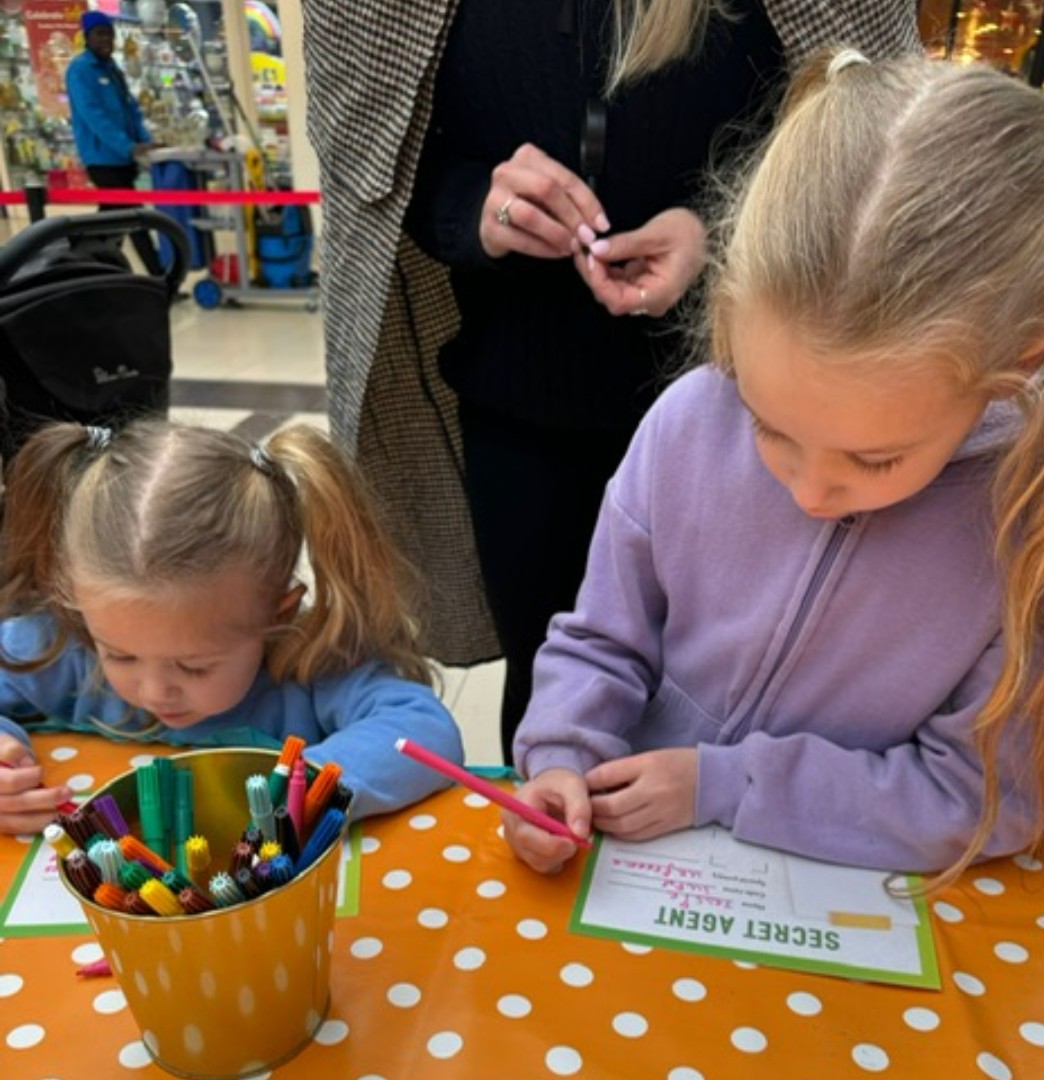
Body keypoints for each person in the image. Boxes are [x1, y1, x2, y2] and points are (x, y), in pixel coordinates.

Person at [503, 50, 1044, 885]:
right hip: (641, 883)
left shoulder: (1035, 522)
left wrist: (728, 785)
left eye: (876, 459)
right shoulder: (687, 425)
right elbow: (601, 643)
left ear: (1020, 361)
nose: (810, 492)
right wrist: (561, 749)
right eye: (770, 426)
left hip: (862, 912)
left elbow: (984, 797)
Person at [302, 1, 921, 762]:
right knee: (553, 678)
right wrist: (475, 208)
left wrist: (722, 231)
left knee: (735, 687)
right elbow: (374, 159)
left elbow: (859, 137)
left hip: (743, 401)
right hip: (518, 407)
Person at [0, 420, 465, 836]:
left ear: (277, 616)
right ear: (79, 607)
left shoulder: (312, 666)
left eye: (194, 667)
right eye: (120, 655)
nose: (156, 691)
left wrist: (303, 791)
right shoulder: (61, 643)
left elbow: (425, 732)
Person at [65, 11, 164, 278]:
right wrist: (127, 146)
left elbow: (132, 110)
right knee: (134, 217)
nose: (106, 39)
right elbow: (94, 116)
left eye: (109, 33)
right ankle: (160, 277)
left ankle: (87, 268)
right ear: (87, 38)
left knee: (111, 220)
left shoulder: (113, 70)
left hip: (124, 158)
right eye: (99, 34)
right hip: (101, 158)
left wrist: (144, 141)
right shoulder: (80, 70)